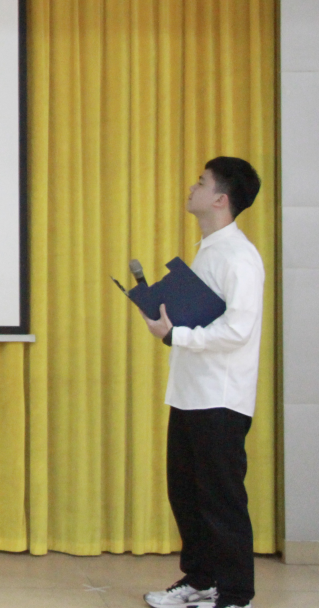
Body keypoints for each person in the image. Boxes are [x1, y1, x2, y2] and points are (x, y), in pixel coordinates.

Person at [141, 157, 264, 608]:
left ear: (220, 199)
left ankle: (234, 594)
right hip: (191, 394)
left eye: (201, 182)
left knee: (221, 499)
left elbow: (238, 329)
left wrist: (177, 335)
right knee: (188, 494)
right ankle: (201, 580)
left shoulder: (239, 257)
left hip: (221, 397)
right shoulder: (209, 249)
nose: (192, 187)